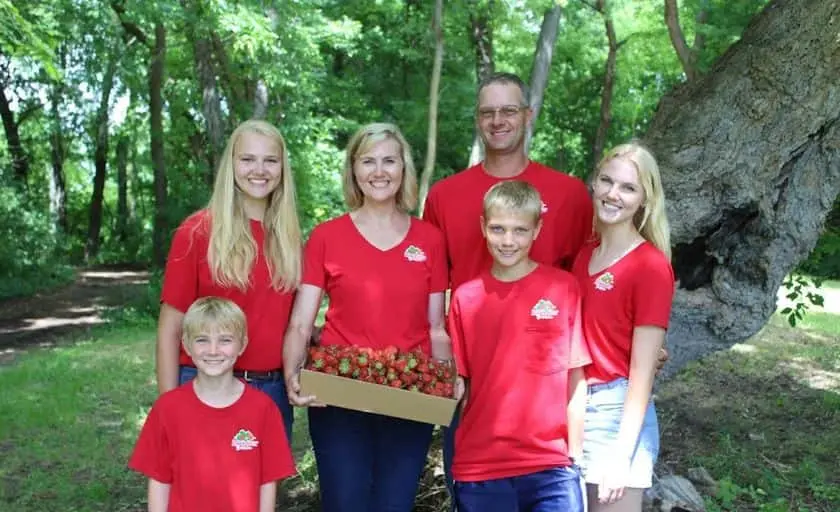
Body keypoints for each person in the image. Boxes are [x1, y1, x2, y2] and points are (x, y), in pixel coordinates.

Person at [422, 72, 594, 509]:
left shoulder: (570, 195)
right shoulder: (445, 197)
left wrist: (632, 343)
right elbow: (424, 291)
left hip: (544, 414)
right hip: (476, 403)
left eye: (509, 110)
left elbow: (587, 286)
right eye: (488, 112)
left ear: (527, 115)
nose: (498, 120)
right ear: (478, 119)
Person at [283, 122, 451, 511]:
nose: (379, 171)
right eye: (368, 161)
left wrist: (447, 378)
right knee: (345, 503)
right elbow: (300, 324)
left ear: (404, 168)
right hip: (340, 393)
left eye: (389, 160)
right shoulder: (327, 236)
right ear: (354, 170)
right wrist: (292, 372)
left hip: (408, 392)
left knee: (394, 504)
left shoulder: (429, 239)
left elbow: (436, 327)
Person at [155, 119, 301, 440]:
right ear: (231, 164)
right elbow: (170, 329)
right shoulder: (197, 232)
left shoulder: (289, 240)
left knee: (262, 491)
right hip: (205, 383)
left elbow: (287, 322)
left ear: (282, 168)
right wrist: (168, 409)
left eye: (270, 160)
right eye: (247, 159)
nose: (259, 169)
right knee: (201, 489)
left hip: (272, 392)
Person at [448, 181, 589, 512]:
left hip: (551, 465)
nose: (507, 241)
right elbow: (460, 387)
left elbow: (576, 377)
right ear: (483, 226)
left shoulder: (563, 288)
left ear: (537, 229)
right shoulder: (465, 298)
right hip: (481, 466)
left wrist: (575, 453)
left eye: (519, 230)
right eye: (497, 229)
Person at [570, 142, 674, 512]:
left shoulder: (650, 266)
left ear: (645, 199)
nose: (613, 194)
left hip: (618, 415)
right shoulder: (585, 255)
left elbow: (642, 376)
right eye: (606, 181)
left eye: (628, 187)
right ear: (594, 183)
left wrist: (620, 457)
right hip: (574, 411)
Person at [129, 297, 297, 512]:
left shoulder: (263, 409)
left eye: (225, 340)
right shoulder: (167, 409)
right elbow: (160, 481)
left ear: (242, 344)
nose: (213, 350)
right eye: (202, 340)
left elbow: (267, 483)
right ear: (186, 345)